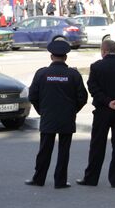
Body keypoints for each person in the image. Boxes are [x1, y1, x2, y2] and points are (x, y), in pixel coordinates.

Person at [76, 39, 115, 188]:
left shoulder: (97, 67)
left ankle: (91, 178)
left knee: (98, 144)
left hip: (102, 111)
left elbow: (93, 88)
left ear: (103, 51)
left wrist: (108, 102)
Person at [25, 39, 88, 189]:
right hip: (67, 118)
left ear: (51, 56)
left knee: (44, 150)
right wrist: (72, 111)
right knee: (64, 151)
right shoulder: (73, 75)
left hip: (48, 118)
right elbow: (83, 98)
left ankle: (39, 178)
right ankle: (60, 181)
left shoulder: (42, 73)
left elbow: (32, 96)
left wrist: (43, 111)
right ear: (65, 57)